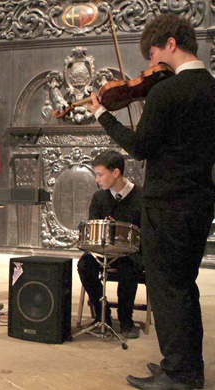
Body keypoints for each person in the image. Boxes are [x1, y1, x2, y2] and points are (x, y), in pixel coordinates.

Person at [87, 14, 215, 390]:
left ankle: (182, 375)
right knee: (184, 286)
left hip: (167, 204)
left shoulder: (167, 92)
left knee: (168, 288)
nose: (150, 65)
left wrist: (102, 115)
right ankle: (182, 364)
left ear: (171, 44)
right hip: (200, 201)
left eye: (154, 52)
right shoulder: (212, 88)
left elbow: (140, 148)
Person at [77, 150, 142, 340]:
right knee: (84, 265)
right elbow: (92, 227)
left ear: (116, 173)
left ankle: (126, 321)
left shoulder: (140, 196)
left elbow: (146, 231)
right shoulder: (99, 197)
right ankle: (101, 314)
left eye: (100, 174)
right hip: (103, 250)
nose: (97, 180)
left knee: (130, 269)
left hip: (129, 252)